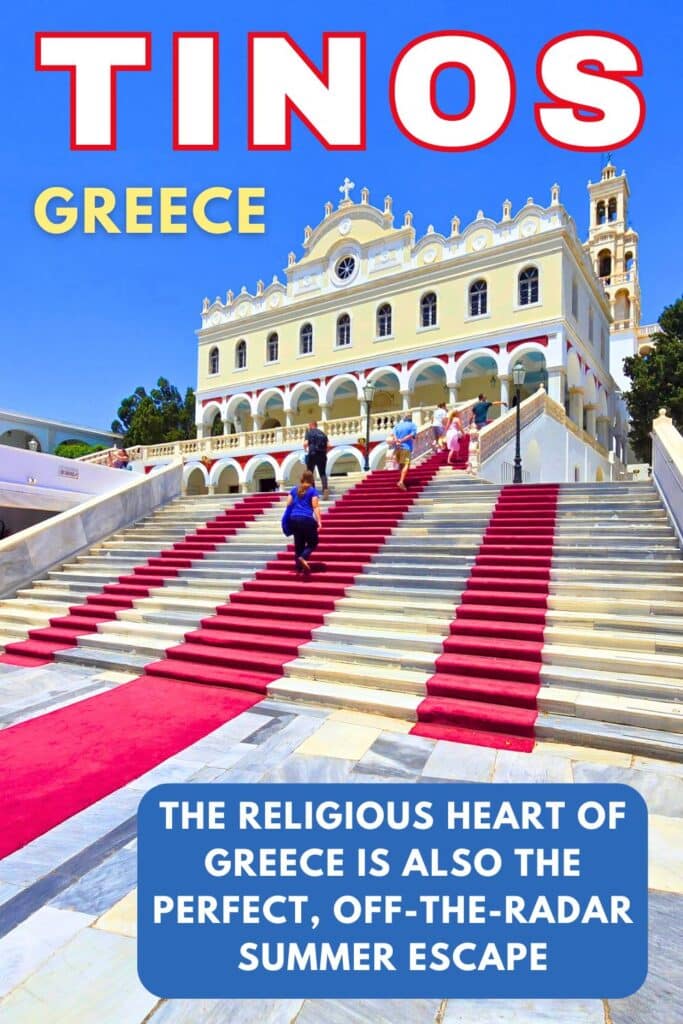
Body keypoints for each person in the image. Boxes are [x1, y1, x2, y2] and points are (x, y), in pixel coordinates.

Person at [285, 469, 322, 573]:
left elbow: (288, 504)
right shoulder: (312, 490)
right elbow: (315, 507)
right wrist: (319, 521)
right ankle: (303, 557)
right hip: (306, 519)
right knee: (313, 542)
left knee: (299, 544)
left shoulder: (293, 489)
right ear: (311, 479)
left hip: (294, 519)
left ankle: (298, 567)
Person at [303, 421, 329, 498]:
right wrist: (324, 452)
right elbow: (329, 445)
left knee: (310, 473)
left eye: (309, 426)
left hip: (312, 454)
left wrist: (305, 450)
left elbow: (305, 443)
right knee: (322, 473)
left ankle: (313, 492)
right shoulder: (323, 434)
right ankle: (325, 489)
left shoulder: (309, 433)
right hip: (322, 455)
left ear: (311, 425)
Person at [393, 413, 418, 490]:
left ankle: (401, 479)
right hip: (406, 448)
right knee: (406, 464)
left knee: (400, 464)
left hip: (397, 448)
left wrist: (397, 441)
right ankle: (401, 481)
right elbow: (411, 435)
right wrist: (402, 440)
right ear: (410, 418)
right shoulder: (412, 425)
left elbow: (394, 435)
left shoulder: (397, 425)